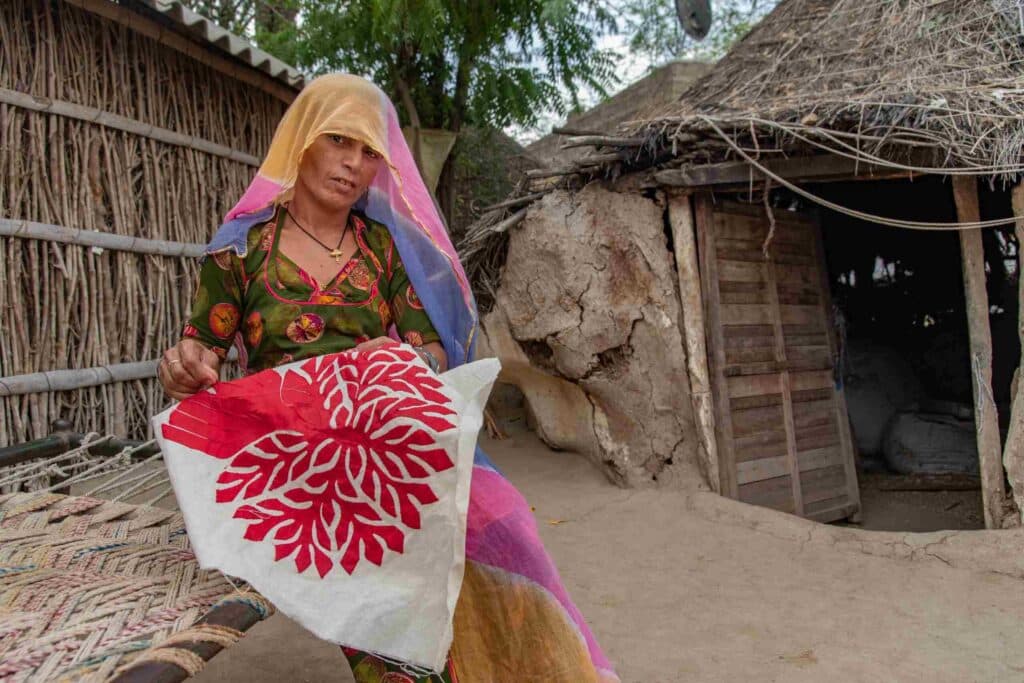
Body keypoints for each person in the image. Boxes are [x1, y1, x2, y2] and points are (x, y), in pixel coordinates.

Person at [158, 73, 618, 683]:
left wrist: (394, 359)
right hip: (292, 454)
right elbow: (201, 353)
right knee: (390, 596)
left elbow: (429, 350)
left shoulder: (383, 248)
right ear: (302, 141)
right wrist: (185, 365)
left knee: (504, 522)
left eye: (369, 151)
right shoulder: (240, 251)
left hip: (383, 436)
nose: (353, 163)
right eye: (339, 141)